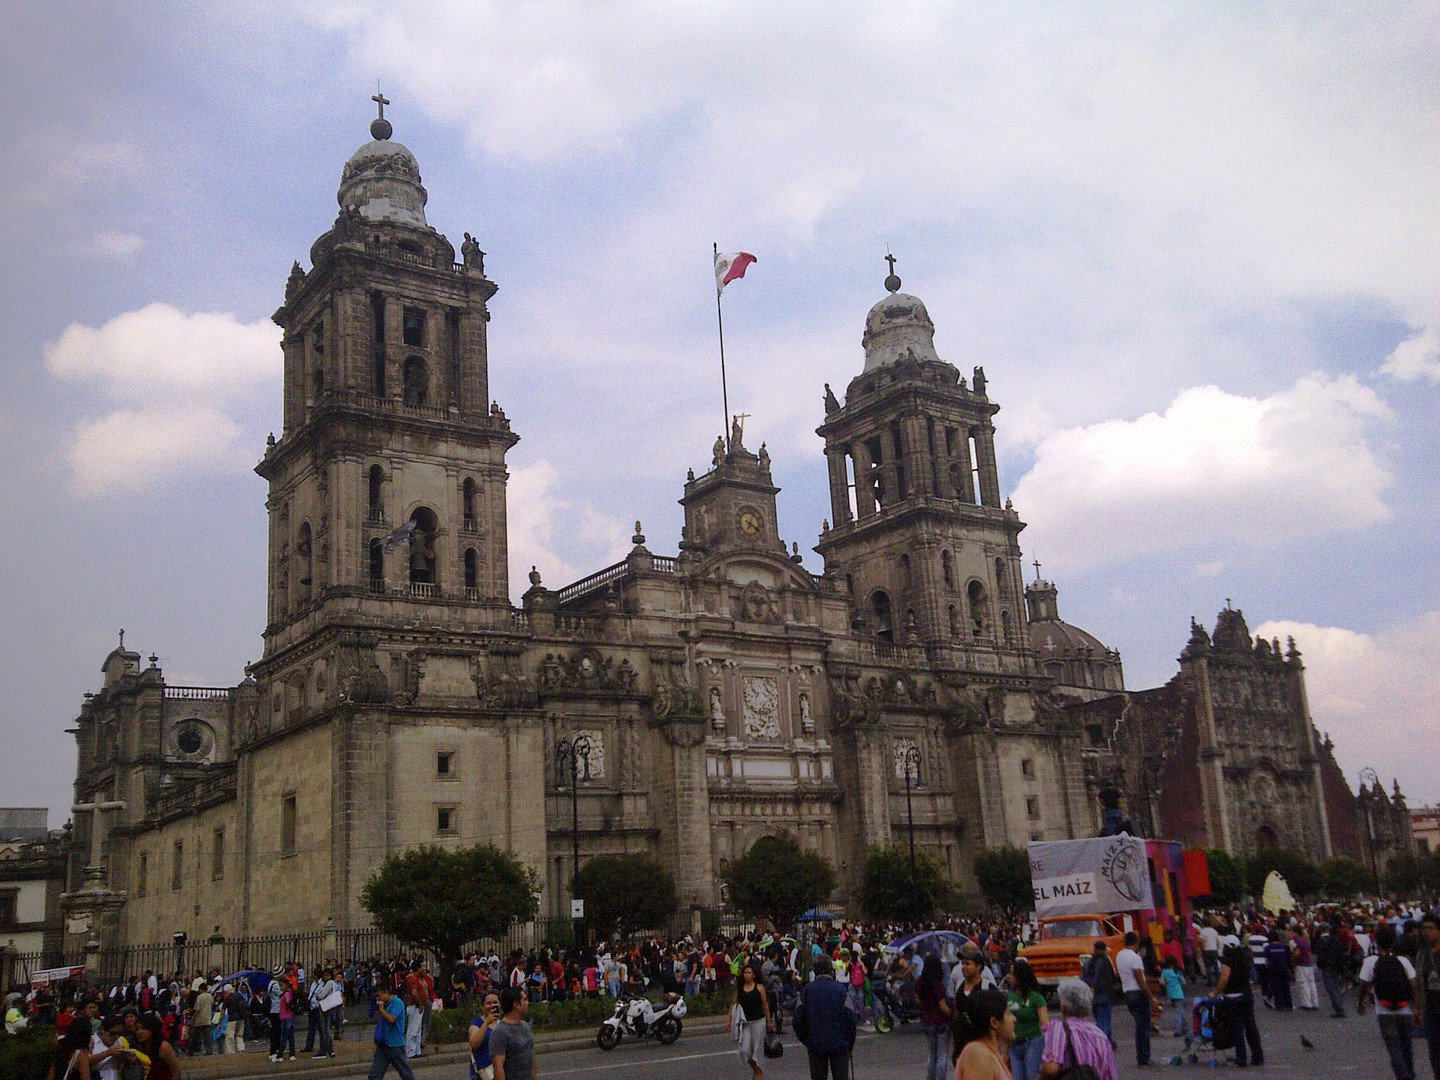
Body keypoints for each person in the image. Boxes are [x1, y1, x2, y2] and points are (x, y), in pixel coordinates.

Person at [1358, 923, 1417, 1080]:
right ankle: (1410, 1074)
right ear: (1393, 942)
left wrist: (1360, 1003)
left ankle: (1403, 1076)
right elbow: (1414, 983)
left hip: (1384, 1010)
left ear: (1376, 943)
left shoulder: (1371, 961)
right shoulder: (1403, 961)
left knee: (1394, 1048)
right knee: (1407, 1047)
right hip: (1404, 1010)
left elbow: (1363, 984)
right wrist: (1417, 1006)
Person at [1039, 978, 1118, 1080]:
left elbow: (1051, 1068)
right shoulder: (1100, 1035)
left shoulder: (1059, 1029)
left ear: (1063, 1007)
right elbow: (1110, 1074)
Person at [794, 954, 856, 1080]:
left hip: (815, 1044)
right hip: (840, 1044)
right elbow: (851, 1019)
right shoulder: (841, 991)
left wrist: (807, 1040)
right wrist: (848, 1043)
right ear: (831, 971)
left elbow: (797, 1020)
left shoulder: (806, 991)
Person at [1215, 932, 1263, 1068]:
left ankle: (1241, 1058)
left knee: (1237, 1029)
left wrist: (1215, 992)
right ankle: (1257, 1056)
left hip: (1232, 997)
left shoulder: (1227, 961)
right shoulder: (1244, 958)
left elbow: (1224, 979)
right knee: (1251, 1027)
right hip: (1246, 995)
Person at [953, 987, 1016, 1080]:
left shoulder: (989, 1052)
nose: (1014, 1019)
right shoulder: (978, 1055)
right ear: (994, 1022)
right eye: (1009, 1013)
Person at [1004, 958, 1049, 1080]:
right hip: (1014, 1045)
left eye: (1012, 974)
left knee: (1032, 1076)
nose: (1008, 976)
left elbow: (1045, 1024)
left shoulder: (1036, 997)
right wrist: (1006, 1052)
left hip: (1032, 1043)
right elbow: (1007, 1024)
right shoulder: (1010, 996)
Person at [730, 959, 774, 1080]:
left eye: (749, 973)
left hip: (758, 1022)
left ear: (754, 975)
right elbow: (734, 1004)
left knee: (757, 1050)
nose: (747, 975)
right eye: (745, 973)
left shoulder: (759, 987)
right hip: (745, 1023)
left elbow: (765, 1004)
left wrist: (769, 1021)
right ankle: (755, 1069)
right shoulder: (740, 989)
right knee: (745, 1050)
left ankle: (759, 1073)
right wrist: (729, 1020)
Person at [1115, 932, 1153, 1068]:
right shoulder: (1135, 957)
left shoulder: (1119, 955)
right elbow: (1140, 978)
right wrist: (1151, 996)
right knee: (1143, 1026)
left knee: (1139, 1024)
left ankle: (1141, 1056)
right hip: (1138, 992)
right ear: (1136, 942)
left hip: (1127, 992)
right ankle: (1144, 1057)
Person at [368, 984, 418, 1080]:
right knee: (375, 1074)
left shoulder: (397, 1003)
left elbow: (392, 1019)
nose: (378, 999)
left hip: (395, 1045)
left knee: (405, 1073)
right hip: (383, 1044)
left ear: (386, 992)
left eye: (379, 996)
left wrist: (382, 1010)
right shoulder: (385, 1004)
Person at [917, 954, 953, 1080]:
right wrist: (952, 1015)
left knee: (932, 1054)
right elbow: (942, 1006)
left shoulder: (919, 982)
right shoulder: (938, 985)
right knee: (942, 1055)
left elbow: (918, 1000)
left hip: (927, 1020)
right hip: (940, 1021)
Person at [491, 987, 537, 1080]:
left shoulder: (526, 1026)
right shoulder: (500, 1033)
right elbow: (498, 1069)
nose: (528, 1003)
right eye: (525, 999)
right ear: (516, 1004)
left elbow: (532, 1058)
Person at [1081, 941, 1118, 1043]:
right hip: (1104, 995)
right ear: (1104, 950)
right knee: (1104, 1022)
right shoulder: (1105, 961)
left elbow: (1082, 979)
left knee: (1100, 1020)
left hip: (1092, 997)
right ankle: (1102, 1043)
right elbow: (1110, 979)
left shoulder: (1087, 963)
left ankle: (1110, 1042)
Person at [1316, 916, 1349, 1018]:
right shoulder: (1335, 940)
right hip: (1336, 965)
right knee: (1335, 987)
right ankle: (1339, 1007)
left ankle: (1339, 1009)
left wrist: (1320, 964)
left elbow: (1319, 955)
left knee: (1331, 988)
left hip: (1326, 966)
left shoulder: (1320, 941)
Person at [134, 1012, 180, 1080]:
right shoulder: (140, 1046)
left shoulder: (163, 1047)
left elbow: (176, 1071)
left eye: (143, 1029)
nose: (139, 1032)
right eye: (137, 1030)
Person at [469, 990, 501, 1080]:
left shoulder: (502, 1024)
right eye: (488, 1003)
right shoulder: (476, 1024)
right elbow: (474, 1044)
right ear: (483, 1006)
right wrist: (486, 1023)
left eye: (495, 1003)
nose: (492, 1006)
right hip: (483, 1073)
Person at [1292, 926, 1319, 1010]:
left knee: (1303, 984)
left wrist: (1293, 961)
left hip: (1301, 964)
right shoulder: (1306, 941)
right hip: (1309, 964)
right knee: (1311, 983)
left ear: (1296, 933)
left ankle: (1306, 1004)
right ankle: (1315, 1002)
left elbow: (1296, 953)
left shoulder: (1298, 942)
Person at [1160, 957, 1187, 1037]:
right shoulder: (1177, 971)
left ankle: (1184, 1027)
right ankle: (1178, 1030)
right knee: (1178, 1012)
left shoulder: (1164, 972)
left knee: (1179, 1010)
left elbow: (1162, 982)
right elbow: (1183, 982)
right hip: (1178, 992)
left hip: (1170, 993)